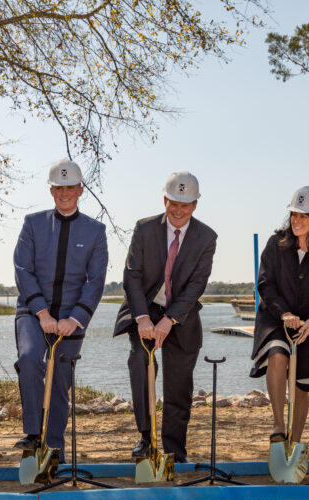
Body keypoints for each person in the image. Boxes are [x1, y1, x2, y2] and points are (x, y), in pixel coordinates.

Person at [113, 171, 217, 463]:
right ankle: (147, 437)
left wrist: (169, 320)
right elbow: (132, 275)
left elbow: (197, 285)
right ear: (165, 200)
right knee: (140, 361)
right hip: (144, 308)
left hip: (180, 314)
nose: (178, 210)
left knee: (179, 382)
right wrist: (143, 319)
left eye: (185, 204)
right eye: (174, 203)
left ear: (195, 205)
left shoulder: (207, 238)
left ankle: (174, 449)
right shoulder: (144, 229)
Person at [12, 160, 108, 462]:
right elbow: (22, 270)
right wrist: (42, 313)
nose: (64, 193)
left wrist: (74, 318)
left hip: (71, 318)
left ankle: (53, 450)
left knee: (60, 385)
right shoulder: (32, 224)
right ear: (51, 190)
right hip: (32, 312)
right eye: (58, 188)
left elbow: (96, 280)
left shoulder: (96, 231)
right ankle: (32, 436)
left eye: (70, 188)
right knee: (29, 360)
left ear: (80, 190)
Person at [251, 186, 309, 445]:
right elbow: (265, 284)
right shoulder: (275, 245)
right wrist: (284, 314)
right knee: (277, 354)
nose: (296, 220)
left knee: (302, 388)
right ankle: (279, 426)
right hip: (275, 319)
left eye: (303, 216)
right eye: (294, 214)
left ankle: (295, 443)